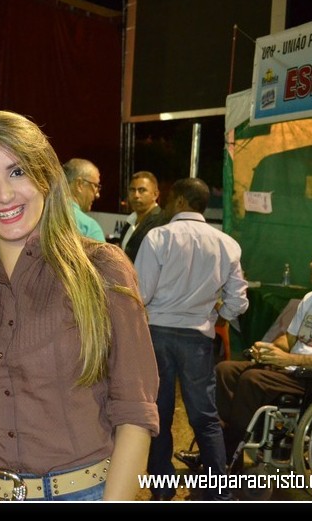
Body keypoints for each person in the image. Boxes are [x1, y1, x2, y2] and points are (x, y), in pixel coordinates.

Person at [0, 111, 159, 501]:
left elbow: (135, 411)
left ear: (45, 176)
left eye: (17, 172)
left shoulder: (102, 269)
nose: (4, 195)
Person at [134, 177, 248, 501]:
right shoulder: (226, 244)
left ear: (181, 201)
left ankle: (162, 489)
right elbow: (238, 301)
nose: (167, 206)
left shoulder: (158, 237)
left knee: (159, 414)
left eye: (170, 200)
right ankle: (217, 491)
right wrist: (218, 314)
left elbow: (141, 293)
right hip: (197, 337)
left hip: (157, 334)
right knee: (205, 417)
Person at [202, 239, 312, 471]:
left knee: (252, 380)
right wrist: (269, 349)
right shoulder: (311, 298)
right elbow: (289, 340)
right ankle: (217, 449)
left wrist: (290, 359)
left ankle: (228, 455)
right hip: (293, 370)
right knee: (225, 370)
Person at [119, 171, 167, 262]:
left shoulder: (163, 222)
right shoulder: (130, 222)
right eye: (132, 190)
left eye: (142, 190)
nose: (136, 195)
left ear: (155, 194)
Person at [62, 158, 106, 241]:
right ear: (79, 184)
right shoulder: (90, 229)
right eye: (95, 186)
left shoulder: (41, 215)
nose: (97, 195)